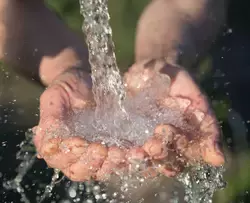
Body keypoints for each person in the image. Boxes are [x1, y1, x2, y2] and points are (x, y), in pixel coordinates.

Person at [0, 0, 226, 182]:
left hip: (174, 40)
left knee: (167, 173)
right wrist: (66, 69)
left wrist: (160, 65)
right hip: (51, 32)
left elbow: (183, 4)